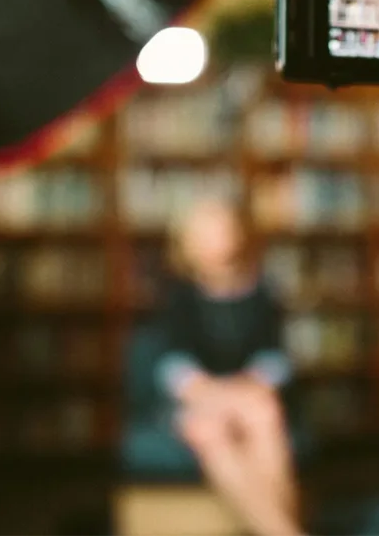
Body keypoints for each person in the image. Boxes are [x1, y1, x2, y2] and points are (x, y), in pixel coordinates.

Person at [123, 197, 307, 536]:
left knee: (263, 415)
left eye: (220, 229)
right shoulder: (177, 293)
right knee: (209, 430)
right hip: (198, 397)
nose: (215, 239)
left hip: (249, 394)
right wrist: (209, 391)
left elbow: (275, 356)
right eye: (204, 232)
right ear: (187, 242)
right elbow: (172, 361)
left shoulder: (262, 290)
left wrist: (248, 385)